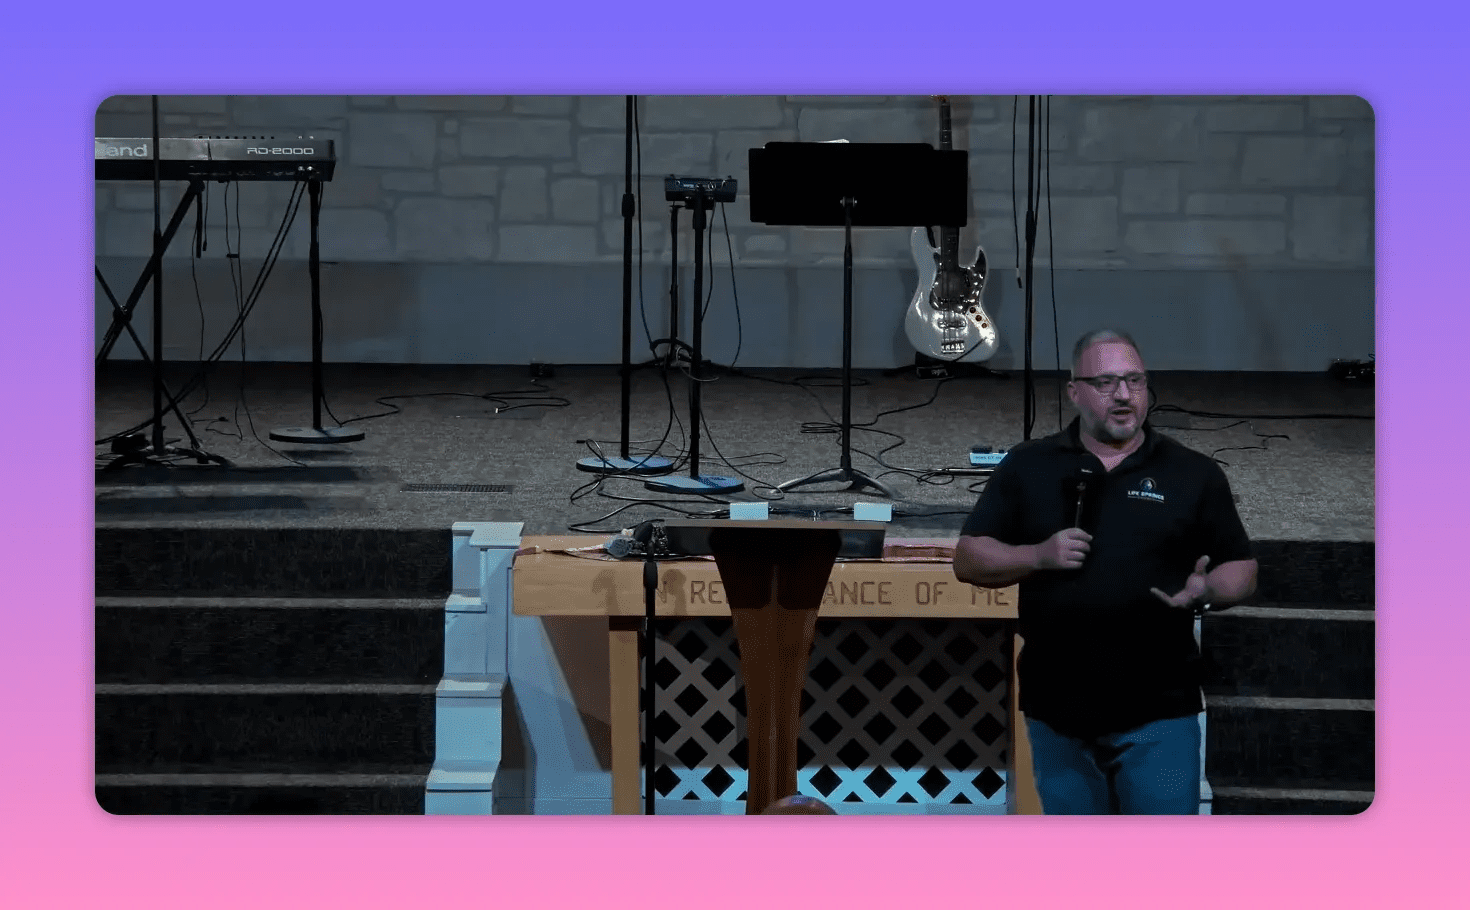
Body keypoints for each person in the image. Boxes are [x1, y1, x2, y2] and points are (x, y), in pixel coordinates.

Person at [953, 329, 1257, 814]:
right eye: (1106, 382)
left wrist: (1208, 588)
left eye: (1135, 381)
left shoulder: (1192, 473)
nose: (1123, 395)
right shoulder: (1029, 465)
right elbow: (969, 558)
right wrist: (1037, 556)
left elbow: (1241, 567)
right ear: (1074, 392)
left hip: (1159, 712)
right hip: (1058, 713)